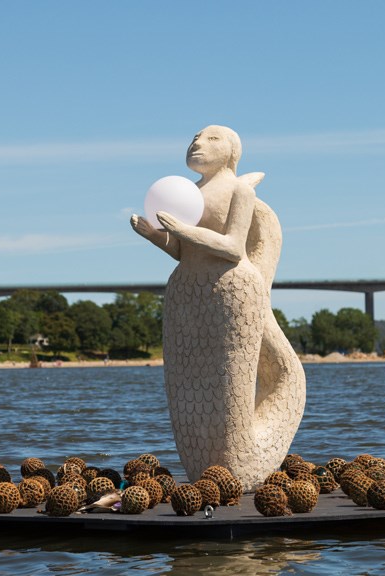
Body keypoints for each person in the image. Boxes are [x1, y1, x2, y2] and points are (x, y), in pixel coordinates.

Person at [130, 125, 305, 489]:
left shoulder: (239, 190)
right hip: (187, 288)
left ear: (232, 153)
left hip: (231, 289)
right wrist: (156, 236)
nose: (197, 142)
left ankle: (238, 467)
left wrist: (180, 228)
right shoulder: (188, 193)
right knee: (190, 383)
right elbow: (184, 251)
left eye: (211, 139)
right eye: (194, 137)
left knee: (234, 383)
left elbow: (232, 247)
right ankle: (202, 466)